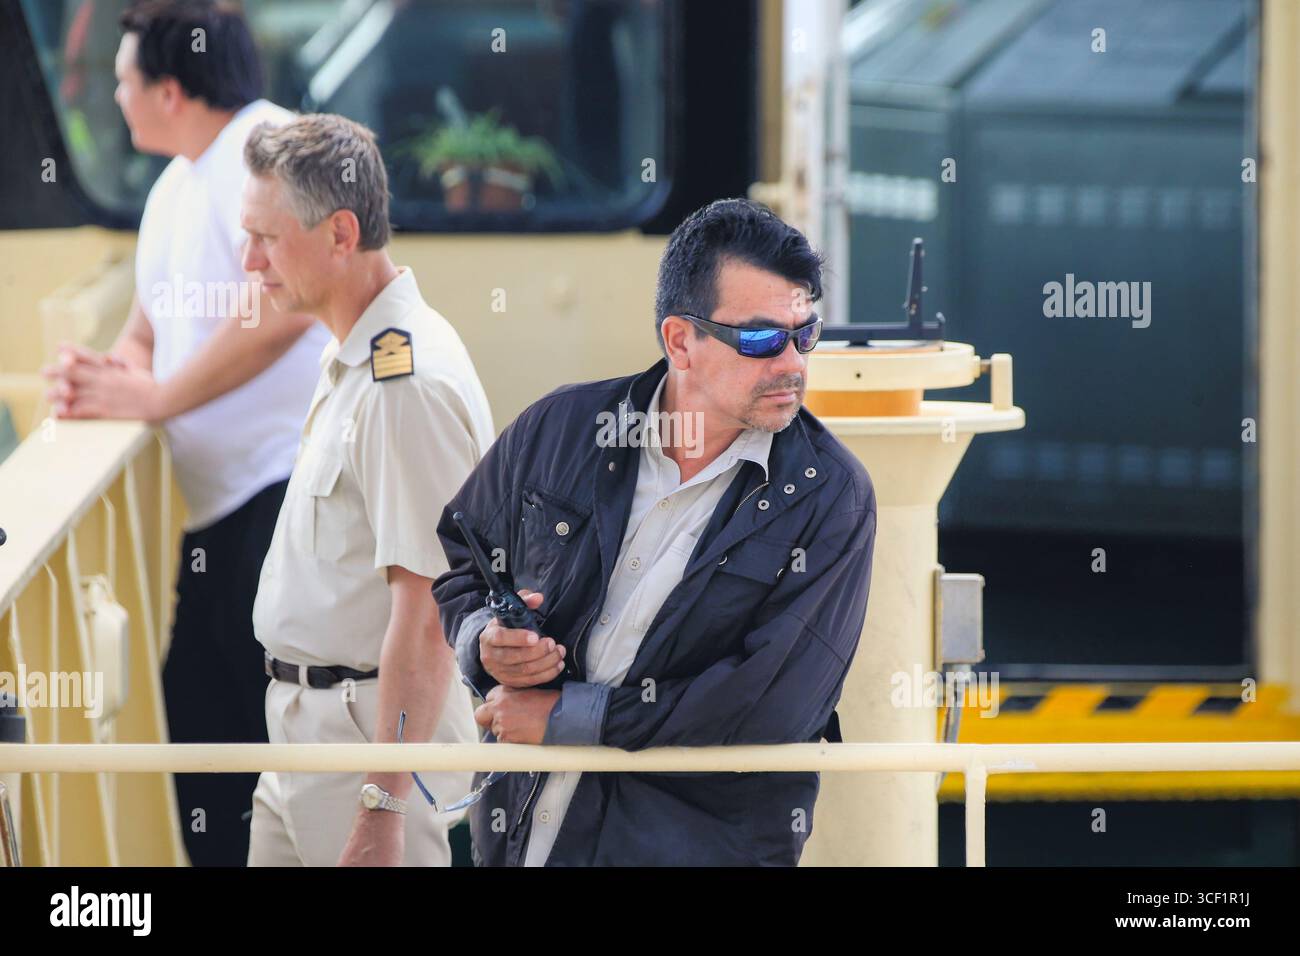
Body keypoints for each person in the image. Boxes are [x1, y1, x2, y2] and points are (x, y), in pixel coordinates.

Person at [432, 198, 877, 866]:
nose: (792, 364)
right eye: (760, 340)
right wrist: (485, 646)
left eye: (804, 333)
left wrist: (568, 719)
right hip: (520, 839)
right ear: (679, 341)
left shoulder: (831, 497)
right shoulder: (559, 427)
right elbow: (466, 561)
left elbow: (770, 706)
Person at [42, 0, 327, 867]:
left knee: (248, 739)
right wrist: (103, 377)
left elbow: (283, 303)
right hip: (219, 512)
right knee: (204, 738)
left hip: (278, 497)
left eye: (122, 82)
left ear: (169, 88)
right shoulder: (174, 184)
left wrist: (158, 399)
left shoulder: (271, 145)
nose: (116, 98)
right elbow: (147, 328)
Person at [240, 113, 494, 867]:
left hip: (365, 750)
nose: (249, 261)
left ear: (341, 235)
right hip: (307, 738)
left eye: (267, 237)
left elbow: (426, 616)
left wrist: (384, 805)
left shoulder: (401, 383)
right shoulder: (361, 354)